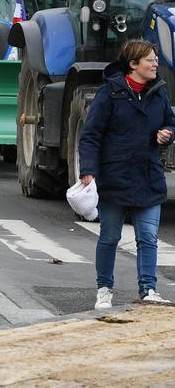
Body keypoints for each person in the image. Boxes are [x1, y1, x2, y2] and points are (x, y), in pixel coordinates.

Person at [78, 39, 175, 309]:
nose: (156, 63)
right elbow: (91, 136)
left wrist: (167, 134)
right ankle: (104, 289)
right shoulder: (109, 93)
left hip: (148, 176)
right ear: (133, 65)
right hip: (115, 177)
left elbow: (169, 121)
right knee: (110, 237)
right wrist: (88, 170)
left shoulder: (159, 91)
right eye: (150, 60)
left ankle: (148, 290)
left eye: (155, 59)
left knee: (148, 238)